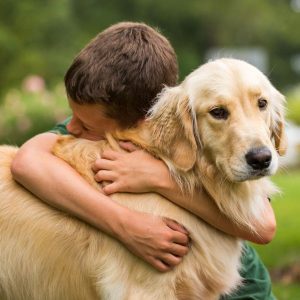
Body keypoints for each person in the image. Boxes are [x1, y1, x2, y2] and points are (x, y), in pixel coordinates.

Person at [11, 22, 276, 299]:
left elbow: (264, 226)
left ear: (141, 122)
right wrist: (126, 224)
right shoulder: (102, 118)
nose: (72, 128)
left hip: (245, 289)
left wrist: (158, 178)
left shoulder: (180, 122)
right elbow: (26, 162)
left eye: (87, 125)